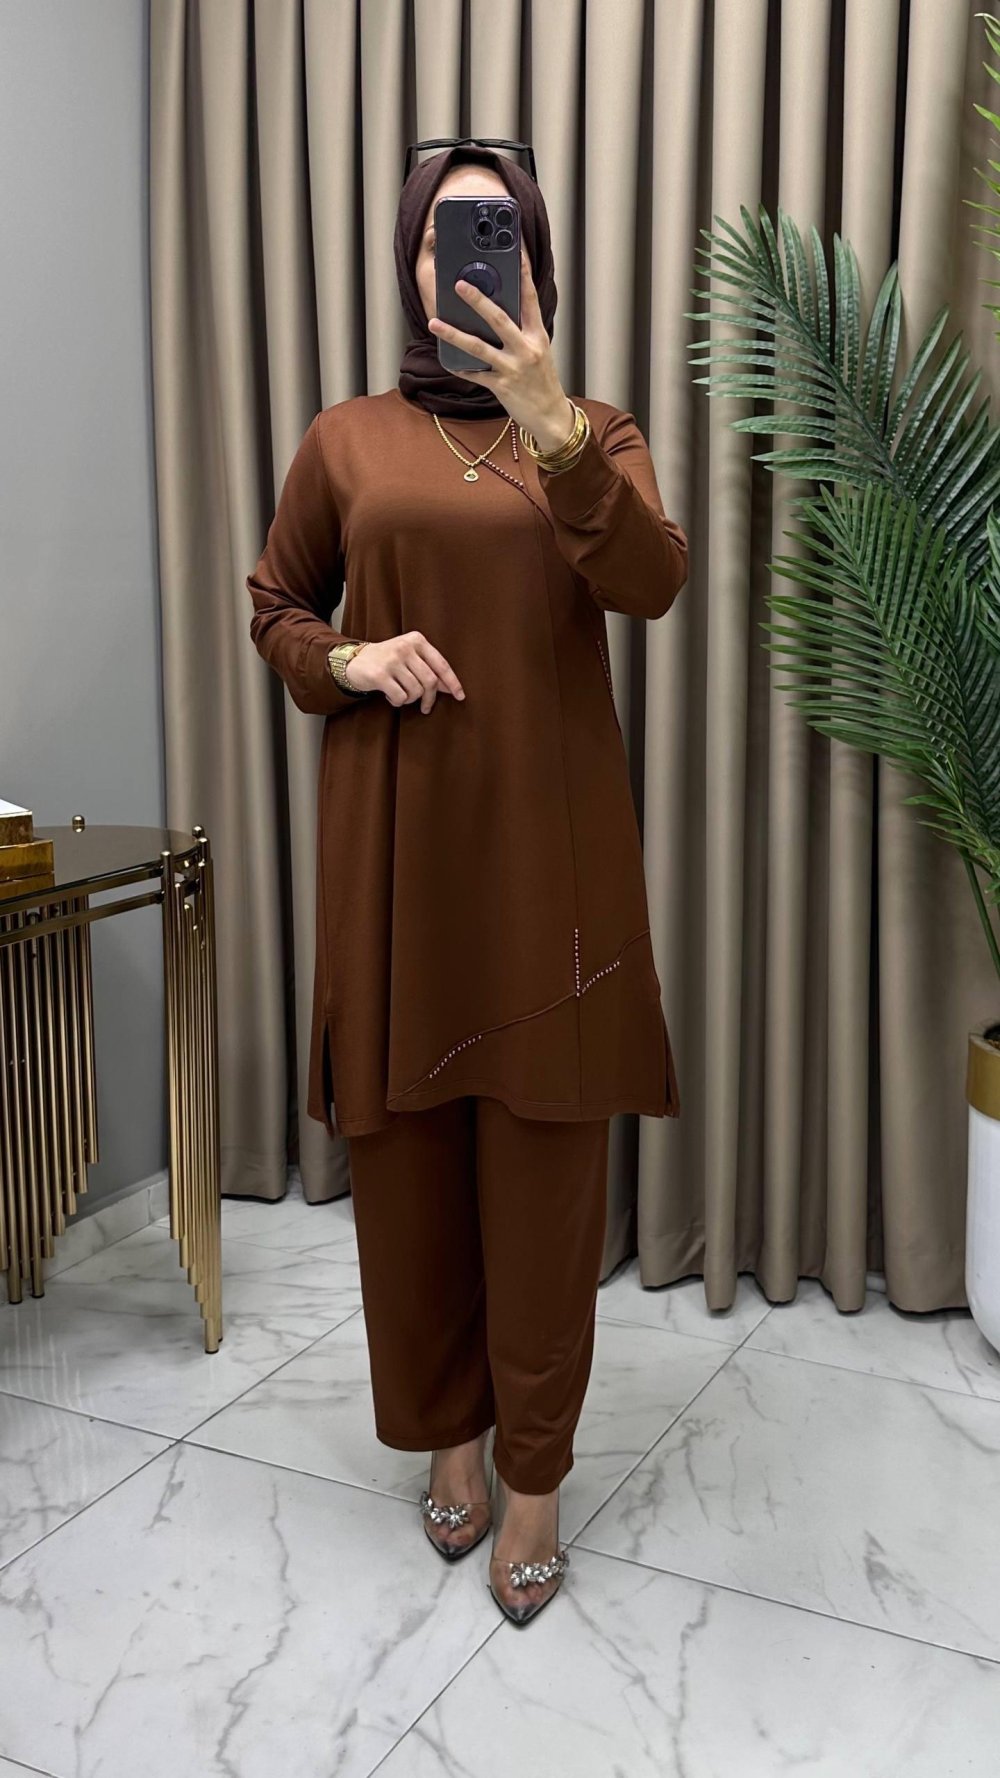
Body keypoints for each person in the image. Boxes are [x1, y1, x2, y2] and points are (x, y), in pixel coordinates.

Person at [246, 142, 689, 1626]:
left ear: (536, 263)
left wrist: (553, 423)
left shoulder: (595, 430)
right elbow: (278, 604)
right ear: (410, 265)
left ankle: (536, 1477)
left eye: (495, 233)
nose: (466, 257)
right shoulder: (348, 439)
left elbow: (651, 582)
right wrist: (351, 656)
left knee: (549, 1180)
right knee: (414, 1167)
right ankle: (449, 1434)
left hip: (550, 863)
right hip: (397, 858)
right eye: (444, 236)